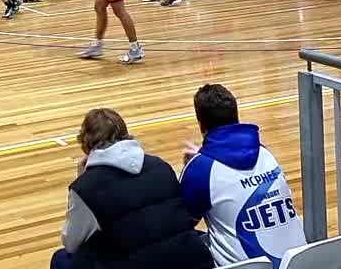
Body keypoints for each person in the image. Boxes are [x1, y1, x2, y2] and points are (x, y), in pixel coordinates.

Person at [52, 108, 213, 269]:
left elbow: (71, 243)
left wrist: (81, 182)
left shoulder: (85, 188)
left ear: (86, 145)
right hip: (192, 261)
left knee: (61, 260)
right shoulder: (161, 165)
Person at [179, 84, 307, 268]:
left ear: (201, 125)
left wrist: (196, 165)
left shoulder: (200, 170)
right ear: (236, 117)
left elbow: (179, 223)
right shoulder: (265, 154)